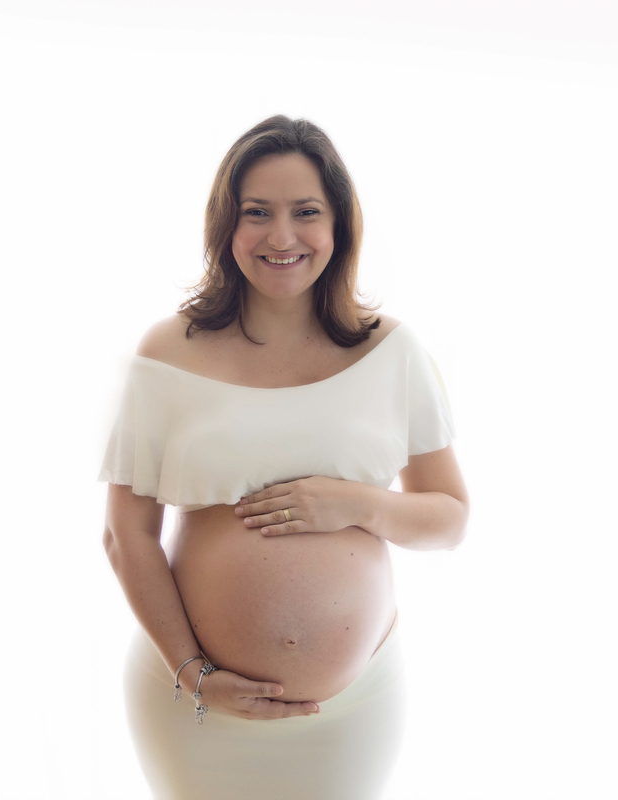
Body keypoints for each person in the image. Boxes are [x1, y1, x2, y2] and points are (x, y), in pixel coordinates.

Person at [98, 114, 469, 800]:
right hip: (195, 703)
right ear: (225, 226)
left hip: (350, 711)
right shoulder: (167, 354)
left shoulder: (391, 351)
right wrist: (192, 673)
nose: (281, 236)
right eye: (256, 213)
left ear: (339, 226)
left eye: (306, 212)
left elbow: (449, 519)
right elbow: (127, 535)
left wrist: (356, 503)